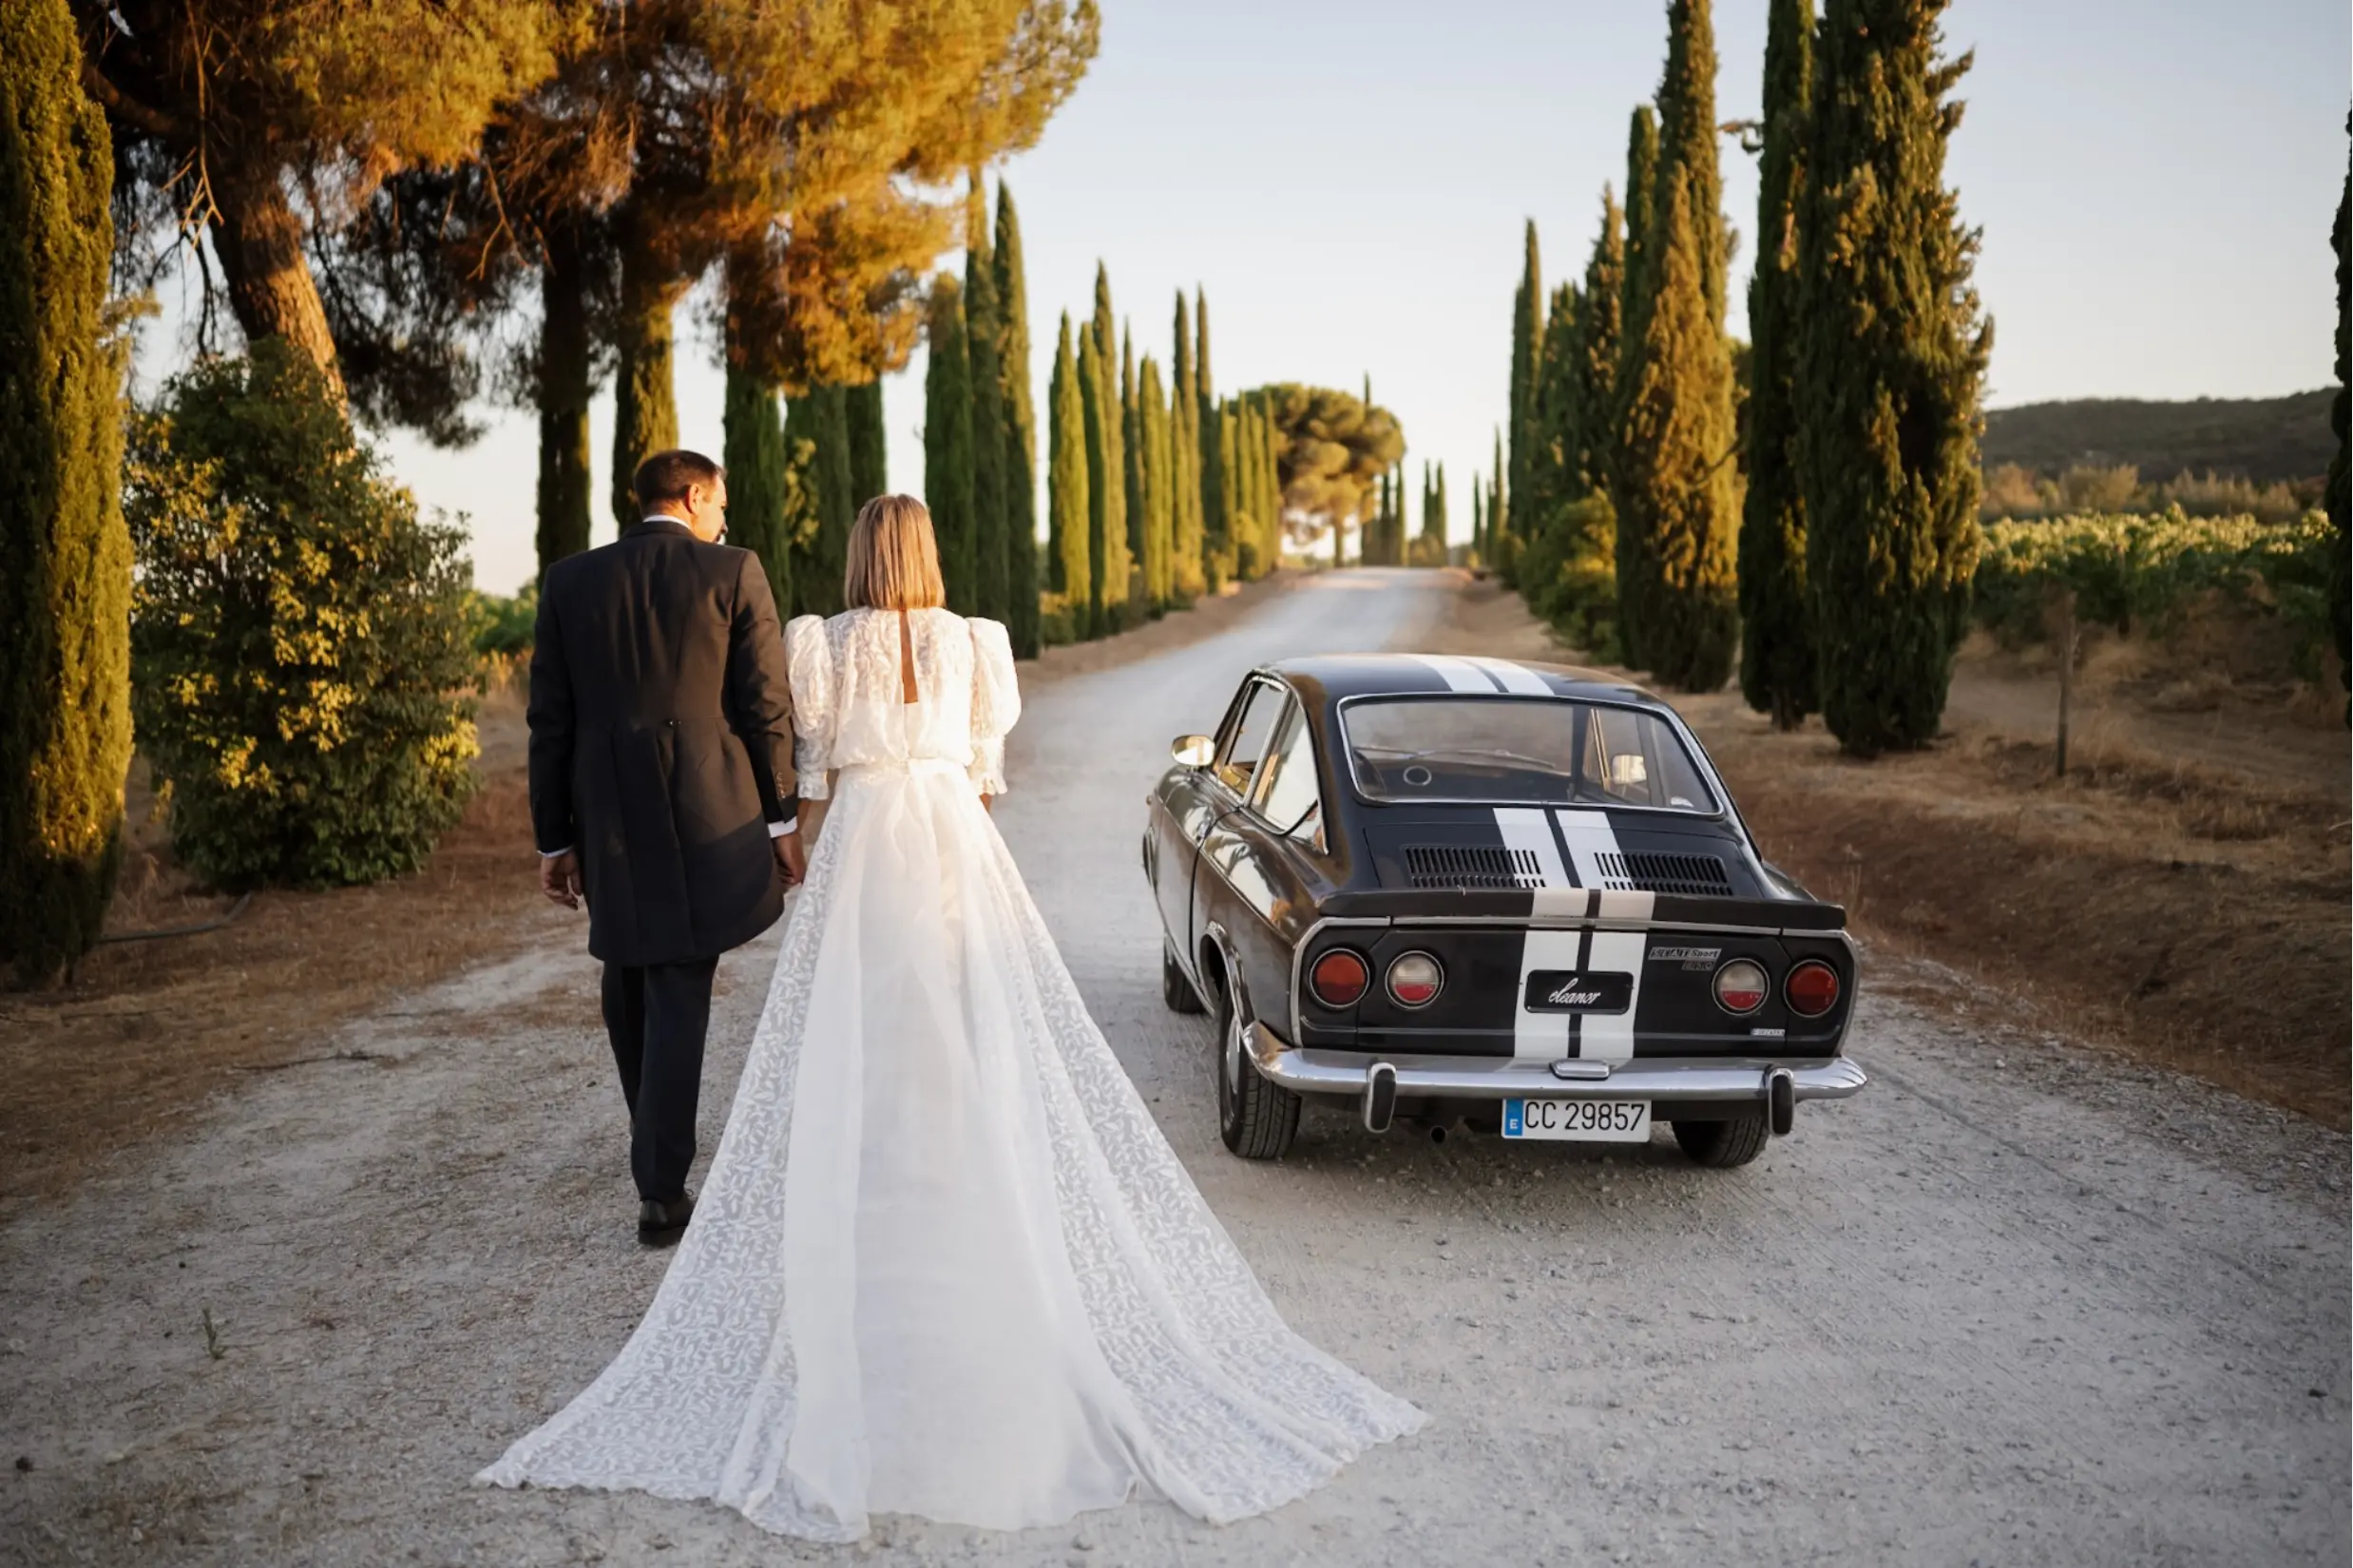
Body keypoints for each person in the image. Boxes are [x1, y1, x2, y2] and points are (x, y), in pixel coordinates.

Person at [483, 494, 1422, 1541]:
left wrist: (804, 822)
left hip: (868, 831)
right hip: (945, 835)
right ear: (928, 554)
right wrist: (943, 787)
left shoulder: (823, 641)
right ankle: (951, 1162)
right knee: (964, 996)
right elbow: (985, 775)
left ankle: (872, 1175)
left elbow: (813, 758)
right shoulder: (977, 642)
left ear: (857, 558)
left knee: (858, 1007)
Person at [526, 449, 805, 1248]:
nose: (726, 518)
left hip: (608, 816)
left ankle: (656, 1143)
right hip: (708, 809)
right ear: (690, 497)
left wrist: (555, 838)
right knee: (674, 982)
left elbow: (551, 723)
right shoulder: (732, 572)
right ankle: (661, 1188)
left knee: (631, 976)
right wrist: (782, 822)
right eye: (720, 503)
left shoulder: (569, 582)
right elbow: (765, 705)